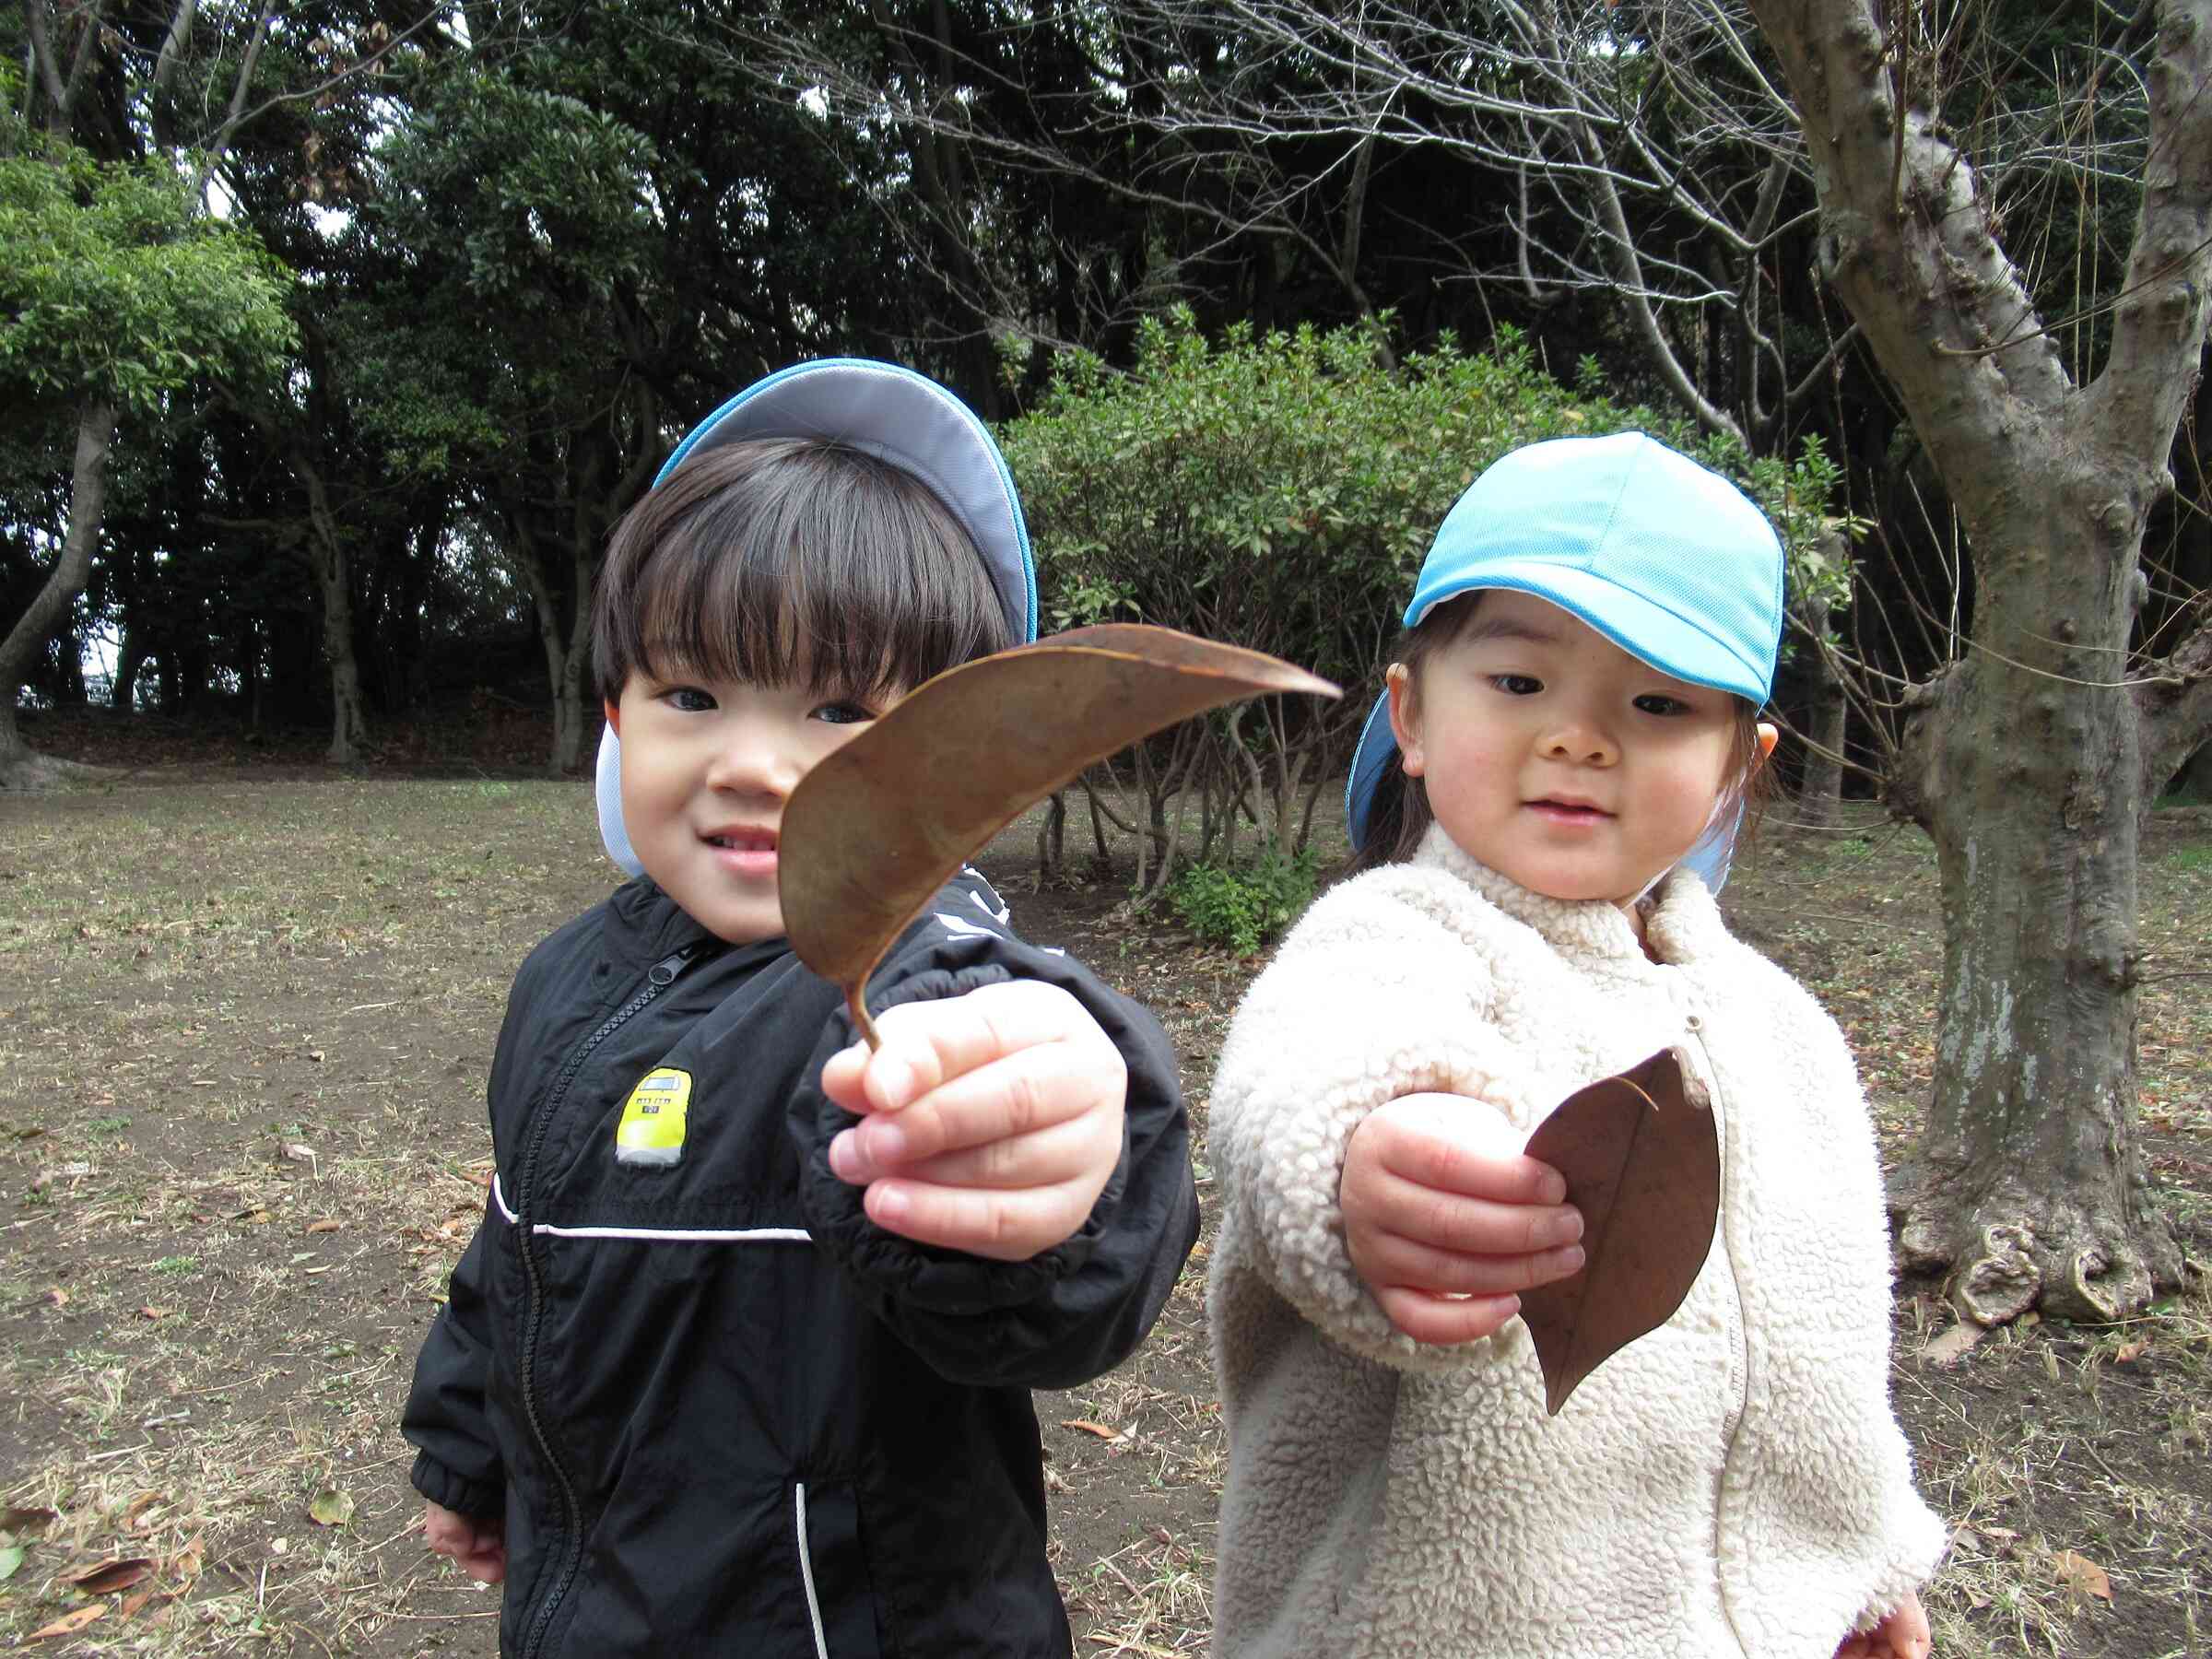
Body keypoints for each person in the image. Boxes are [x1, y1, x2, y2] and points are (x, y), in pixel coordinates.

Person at [402, 359, 1200, 1658]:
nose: (754, 765)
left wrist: (1071, 1157)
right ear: (616, 720)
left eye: (839, 712)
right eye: (692, 696)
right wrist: (468, 1444)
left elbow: (1047, 1234)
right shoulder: (567, 981)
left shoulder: (906, 980)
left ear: (955, 764)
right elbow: (514, 1249)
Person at [1206, 432, 1946, 1658]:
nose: (1582, 738)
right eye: (1518, 683)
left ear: (1732, 773)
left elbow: (1827, 1365)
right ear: (1411, 715)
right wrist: (1373, 1160)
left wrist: (1860, 1572)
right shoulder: (1399, 940)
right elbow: (1305, 1073)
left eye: (1658, 704)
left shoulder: (1787, 1036)